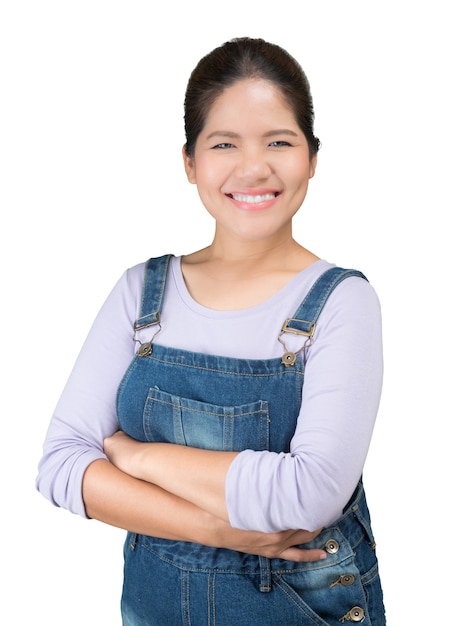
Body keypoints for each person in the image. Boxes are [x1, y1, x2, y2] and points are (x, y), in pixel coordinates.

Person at [36, 37, 386, 625]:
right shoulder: (139, 293)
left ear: (313, 158)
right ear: (190, 162)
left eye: (279, 141)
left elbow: (310, 493)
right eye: (225, 144)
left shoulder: (342, 302)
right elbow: (61, 467)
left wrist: (135, 459)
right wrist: (223, 529)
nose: (254, 167)